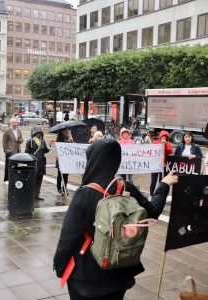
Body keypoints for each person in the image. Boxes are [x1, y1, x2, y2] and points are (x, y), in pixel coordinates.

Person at [53, 139, 178, 300]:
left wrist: (60, 266)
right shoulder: (127, 188)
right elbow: (152, 213)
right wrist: (163, 185)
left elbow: (68, 237)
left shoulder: (84, 193)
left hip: (86, 276)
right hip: (120, 271)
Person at [25, 126, 52, 200]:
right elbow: (27, 152)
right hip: (33, 163)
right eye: (36, 133)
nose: (38, 134)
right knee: (32, 179)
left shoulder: (43, 141)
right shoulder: (29, 141)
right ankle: (31, 193)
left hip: (41, 163)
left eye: (39, 132)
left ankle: (37, 193)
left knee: (40, 179)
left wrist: (49, 145)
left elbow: (45, 150)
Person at [150, 131, 174, 197]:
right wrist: (160, 145)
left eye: (165, 137)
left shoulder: (168, 144)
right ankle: (151, 194)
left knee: (162, 181)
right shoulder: (155, 143)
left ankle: (160, 195)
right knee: (153, 181)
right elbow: (151, 150)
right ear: (160, 137)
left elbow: (171, 151)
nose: (164, 138)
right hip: (155, 165)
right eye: (162, 136)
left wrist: (165, 145)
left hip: (164, 165)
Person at [2, 118, 23, 185]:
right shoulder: (7, 131)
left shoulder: (18, 130)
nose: (15, 124)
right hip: (10, 151)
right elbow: (4, 141)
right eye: (14, 123)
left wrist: (20, 140)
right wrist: (6, 150)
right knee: (8, 166)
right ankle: (6, 179)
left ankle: (14, 178)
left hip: (17, 151)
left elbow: (22, 140)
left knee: (16, 166)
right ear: (10, 123)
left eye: (16, 122)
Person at [55, 128, 72, 195]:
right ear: (62, 131)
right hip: (61, 159)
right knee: (60, 175)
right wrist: (67, 142)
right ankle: (59, 188)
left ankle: (64, 188)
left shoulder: (69, 138)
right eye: (66, 131)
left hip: (67, 159)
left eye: (68, 130)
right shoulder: (59, 139)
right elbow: (61, 148)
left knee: (66, 175)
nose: (67, 132)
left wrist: (70, 142)